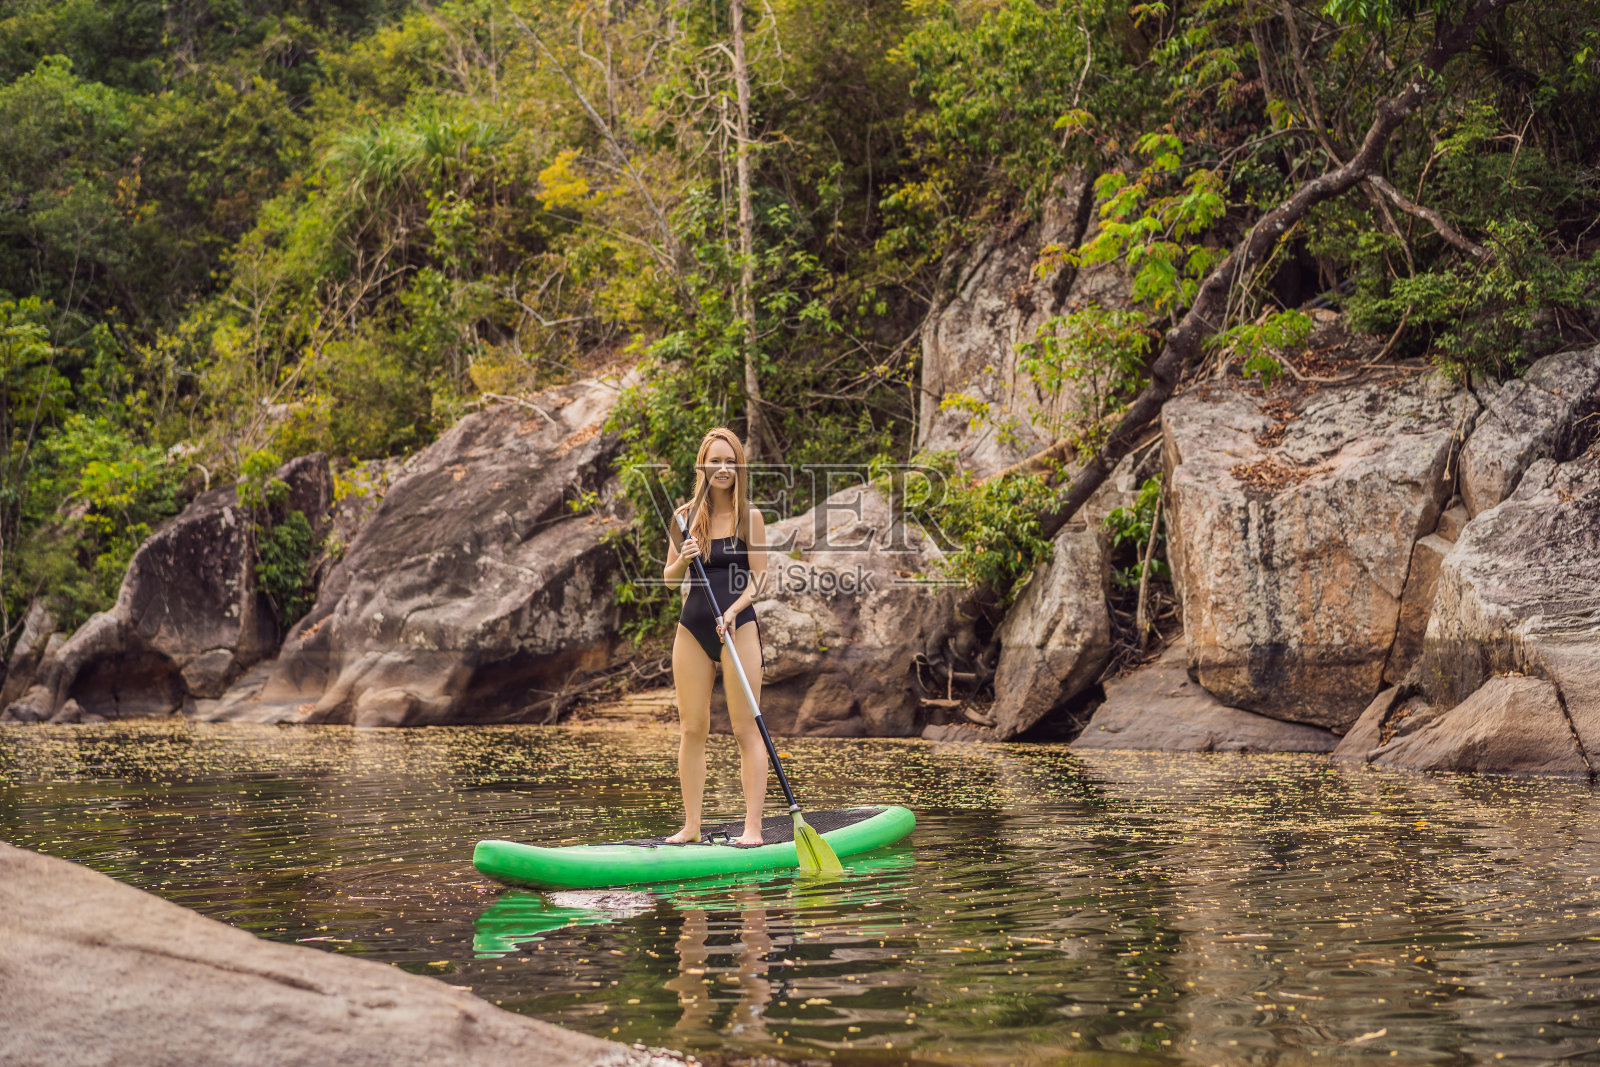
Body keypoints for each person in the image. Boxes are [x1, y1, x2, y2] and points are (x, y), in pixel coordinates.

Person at [662, 427, 770, 845]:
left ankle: (753, 828)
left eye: (730, 461)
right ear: (702, 466)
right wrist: (680, 561)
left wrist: (734, 609)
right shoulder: (684, 517)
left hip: (737, 627)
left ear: (738, 466)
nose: (723, 468)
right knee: (692, 729)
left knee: (746, 730)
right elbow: (670, 582)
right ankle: (691, 826)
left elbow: (759, 580)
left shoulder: (750, 517)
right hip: (692, 630)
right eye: (715, 461)